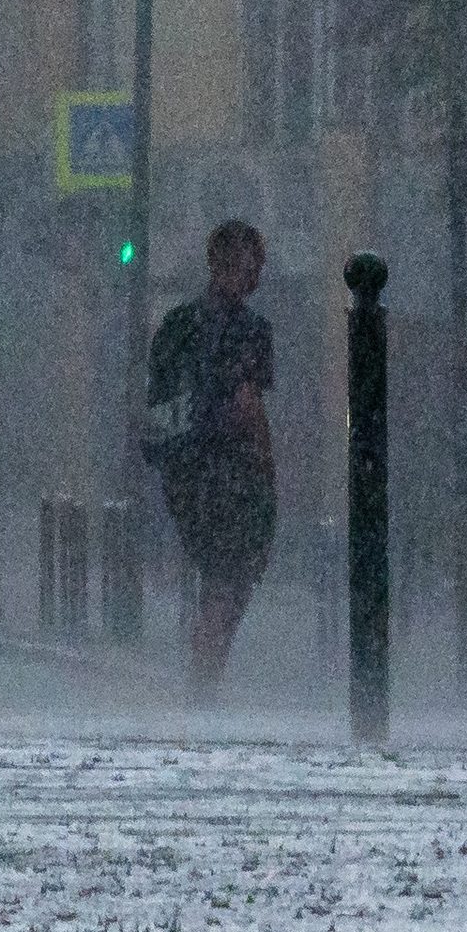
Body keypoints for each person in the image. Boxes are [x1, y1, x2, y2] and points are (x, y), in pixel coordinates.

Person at [141, 218, 280, 699]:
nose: (257, 274)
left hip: (184, 472)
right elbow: (248, 408)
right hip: (229, 473)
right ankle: (204, 685)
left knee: (218, 577)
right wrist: (267, 471)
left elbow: (155, 404)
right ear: (239, 266)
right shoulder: (250, 331)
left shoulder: (177, 325)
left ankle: (203, 681)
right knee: (231, 580)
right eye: (253, 263)